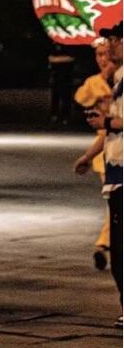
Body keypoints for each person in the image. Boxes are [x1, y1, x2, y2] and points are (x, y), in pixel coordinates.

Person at [74, 21, 123, 325]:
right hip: (114, 172)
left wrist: (107, 122)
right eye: (111, 40)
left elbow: (116, 124)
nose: (112, 45)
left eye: (118, 40)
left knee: (120, 246)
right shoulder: (114, 79)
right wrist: (88, 155)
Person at [73, 41, 115, 269]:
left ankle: (105, 245)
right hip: (107, 149)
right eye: (99, 54)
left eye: (106, 54)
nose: (102, 59)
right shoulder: (94, 82)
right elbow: (81, 98)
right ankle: (105, 244)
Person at [48, 44, 75, 125]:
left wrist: (57, 60)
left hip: (67, 77)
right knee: (55, 97)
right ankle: (54, 115)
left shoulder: (69, 46)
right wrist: (63, 59)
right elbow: (51, 59)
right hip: (56, 76)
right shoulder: (52, 47)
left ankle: (66, 116)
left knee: (66, 98)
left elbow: (72, 58)